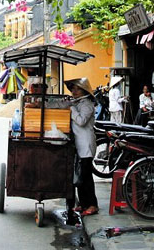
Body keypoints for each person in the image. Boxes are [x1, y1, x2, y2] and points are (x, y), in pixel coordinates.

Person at [63, 78, 99, 216]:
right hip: (79, 145)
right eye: (72, 89)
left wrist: (71, 108)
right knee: (80, 176)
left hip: (86, 144)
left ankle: (92, 205)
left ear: (83, 90)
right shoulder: (78, 103)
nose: (73, 91)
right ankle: (83, 204)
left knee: (86, 177)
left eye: (76, 89)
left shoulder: (87, 104)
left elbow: (81, 121)